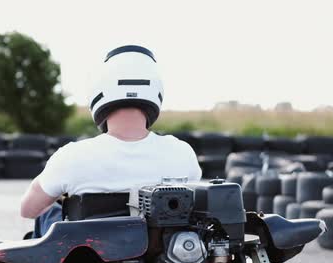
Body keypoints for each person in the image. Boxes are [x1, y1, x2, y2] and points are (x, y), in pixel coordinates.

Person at [20, 45, 202, 237]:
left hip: (87, 259)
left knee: (48, 213)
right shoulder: (182, 152)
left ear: (99, 91)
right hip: (162, 260)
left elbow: (28, 210)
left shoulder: (72, 156)